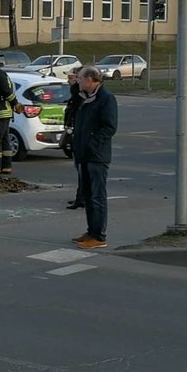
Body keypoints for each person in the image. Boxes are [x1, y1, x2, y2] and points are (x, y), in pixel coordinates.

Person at [71, 65, 118, 250]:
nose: (78, 80)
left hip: (97, 156)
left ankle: (99, 236)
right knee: (88, 196)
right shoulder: (84, 98)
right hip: (83, 155)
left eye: (81, 78)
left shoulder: (105, 98)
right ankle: (91, 231)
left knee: (97, 196)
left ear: (90, 80)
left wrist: (92, 144)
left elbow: (109, 127)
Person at [62, 66, 86, 209]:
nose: (68, 80)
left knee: (83, 168)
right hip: (76, 132)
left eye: (71, 77)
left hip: (81, 135)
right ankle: (81, 196)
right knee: (80, 168)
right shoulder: (76, 93)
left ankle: (82, 198)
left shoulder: (80, 95)